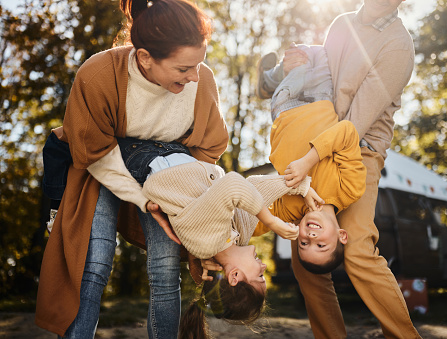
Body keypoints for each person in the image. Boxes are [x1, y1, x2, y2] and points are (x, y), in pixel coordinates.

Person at [35, 0, 228, 338]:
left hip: (167, 174)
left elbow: (207, 149)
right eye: (184, 68)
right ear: (144, 58)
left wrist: (182, 207)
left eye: (200, 63)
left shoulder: (202, 82)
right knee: (92, 264)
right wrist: (143, 202)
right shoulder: (97, 76)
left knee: (166, 267)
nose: (195, 76)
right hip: (102, 167)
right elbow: (94, 153)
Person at [257, 0, 422, 338]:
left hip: (358, 149)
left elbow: (356, 122)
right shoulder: (343, 23)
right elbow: (323, 74)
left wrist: (309, 158)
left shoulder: (398, 46)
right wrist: (294, 65)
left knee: (358, 249)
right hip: (317, 140)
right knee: (307, 262)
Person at [116, 137, 321, 338]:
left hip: (146, 154)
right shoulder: (238, 237)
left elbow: (232, 184)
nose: (264, 268)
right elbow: (254, 187)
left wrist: (272, 221)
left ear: (234, 277)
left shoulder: (207, 243)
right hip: (177, 152)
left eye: (259, 277)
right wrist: (301, 187)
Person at [256, 43, 366, 274]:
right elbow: (346, 132)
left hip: (286, 108)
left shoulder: (286, 212)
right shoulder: (349, 190)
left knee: (301, 54)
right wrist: (308, 161)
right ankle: (270, 81)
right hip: (320, 99)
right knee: (320, 51)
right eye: (321, 244)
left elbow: (250, 219)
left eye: (304, 244)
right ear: (341, 235)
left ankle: (270, 82)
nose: (311, 236)